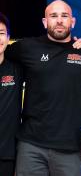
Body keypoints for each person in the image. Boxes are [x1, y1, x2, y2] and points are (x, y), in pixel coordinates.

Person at [5, 0, 81, 176]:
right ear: (45, 22)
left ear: (72, 22)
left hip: (71, 149)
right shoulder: (27, 48)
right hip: (31, 146)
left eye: (64, 16)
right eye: (53, 16)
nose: (59, 20)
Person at [0, 12, 23, 176]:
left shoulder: (17, 68)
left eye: (1, 33)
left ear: (8, 38)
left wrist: (72, 45)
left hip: (7, 155)